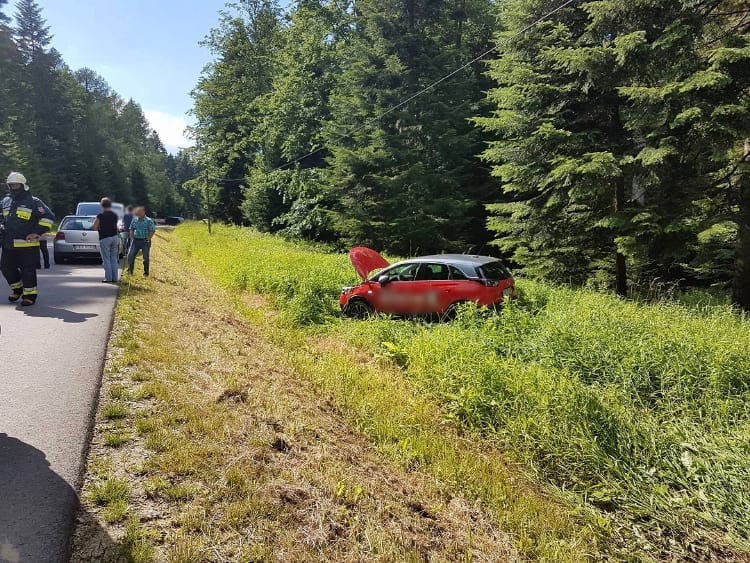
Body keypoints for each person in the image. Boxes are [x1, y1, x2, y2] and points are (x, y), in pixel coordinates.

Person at [0, 172, 55, 306]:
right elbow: (1, 216)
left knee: (28, 271)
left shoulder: (34, 202)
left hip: (27, 245)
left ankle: (29, 295)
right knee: (6, 269)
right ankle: (17, 289)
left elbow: (48, 217)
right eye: (11, 185)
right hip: (8, 244)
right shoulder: (5, 201)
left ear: (23, 185)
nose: (13, 187)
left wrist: (37, 232)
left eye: (16, 185)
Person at [91, 197, 120, 283]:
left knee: (106, 259)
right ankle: (115, 278)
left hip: (105, 238)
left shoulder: (100, 216)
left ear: (102, 205)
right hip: (115, 237)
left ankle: (108, 278)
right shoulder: (115, 215)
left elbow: (95, 227)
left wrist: (95, 225)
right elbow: (116, 227)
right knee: (114, 258)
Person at [127, 206, 155, 277]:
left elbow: (152, 230)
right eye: (137, 211)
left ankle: (146, 273)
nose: (138, 212)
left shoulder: (149, 221)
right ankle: (130, 271)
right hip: (136, 240)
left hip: (145, 241)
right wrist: (132, 237)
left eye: (140, 211)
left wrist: (148, 239)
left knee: (145, 258)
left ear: (144, 212)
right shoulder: (135, 220)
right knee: (130, 255)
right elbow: (131, 229)